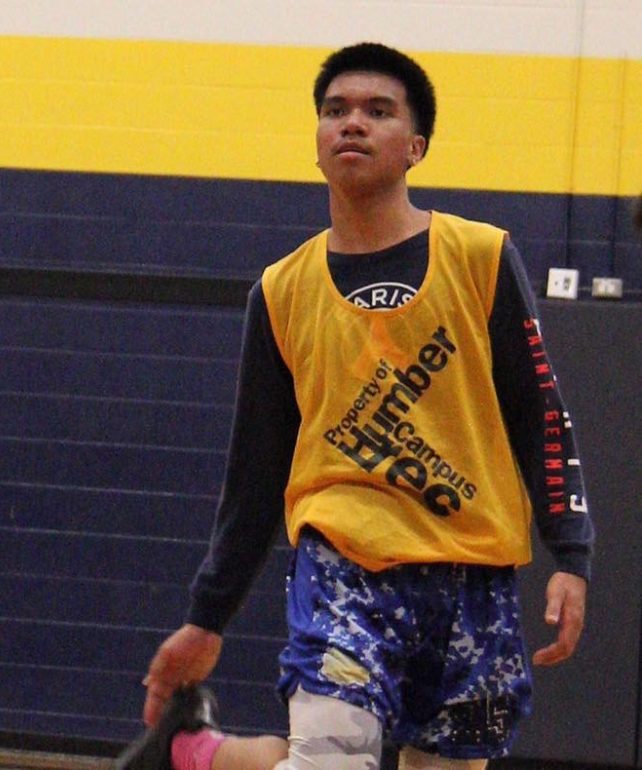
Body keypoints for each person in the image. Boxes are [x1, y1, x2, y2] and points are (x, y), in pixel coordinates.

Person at [119, 42, 595, 770]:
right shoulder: (281, 291)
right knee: (330, 760)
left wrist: (571, 552)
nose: (352, 122)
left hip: (470, 572)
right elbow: (255, 477)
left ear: (416, 147)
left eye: (378, 111)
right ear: (316, 144)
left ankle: (200, 753)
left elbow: (542, 416)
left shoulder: (482, 257)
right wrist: (206, 617)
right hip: (345, 568)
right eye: (335, 110)